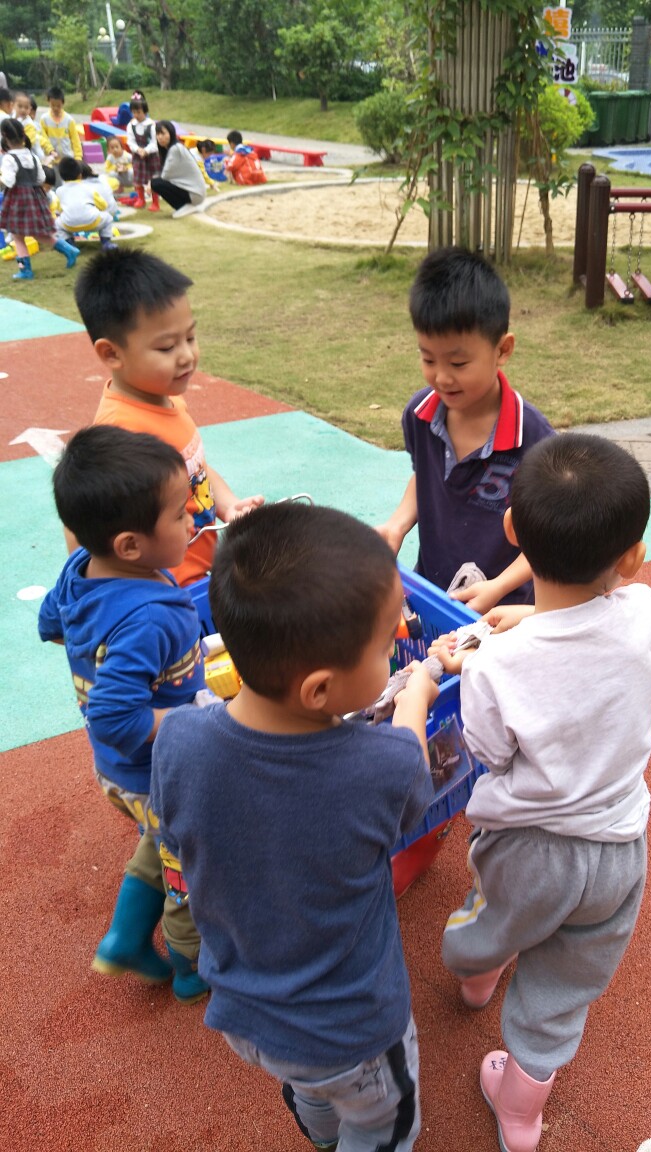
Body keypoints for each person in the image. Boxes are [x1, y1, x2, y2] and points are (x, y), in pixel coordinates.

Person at [150, 501, 439, 1152]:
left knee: (311, 1090)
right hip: (354, 1033)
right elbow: (412, 794)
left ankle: (321, 1131)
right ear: (318, 690)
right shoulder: (384, 764)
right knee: (384, 1124)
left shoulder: (180, 741)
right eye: (385, 647)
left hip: (246, 1017)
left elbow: (177, 827)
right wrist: (415, 700)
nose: (394, 650)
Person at [429, 432, 651, 1152]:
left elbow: (489, 754)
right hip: (619, 848)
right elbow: (619, 639)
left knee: (495, 920)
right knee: (567, 982)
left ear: (513, 531)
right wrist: (540, 620)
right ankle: (520, 1112)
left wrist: (490, 650)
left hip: (530, 849)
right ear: (632, 557)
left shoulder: (494, 667)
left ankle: (476, 973)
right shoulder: (646, 611)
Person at [37, 425, 209, 1003]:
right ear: (132, 545)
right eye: (179, 513)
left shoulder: (81, 569)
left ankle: (127, 938)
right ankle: (190, 966)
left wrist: (99, 653)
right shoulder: (151, 617)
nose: (193, 516)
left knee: (159, 841)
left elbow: (52, 625)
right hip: (155, 769)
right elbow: (115, 719)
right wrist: (184, 719)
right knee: (188, 865)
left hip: (119, 773)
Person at [377, 247, 555, 613]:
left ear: (502, 350)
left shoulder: (535, 441)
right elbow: (426, 478)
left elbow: (550, 540)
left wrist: (498, 587)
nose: (442, 377)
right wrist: (397, 524)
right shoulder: (419, 415)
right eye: (428, 358)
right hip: (433, 592)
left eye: (458, 363)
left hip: (502, 611)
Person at [73, 248, 264, 585]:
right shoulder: (122, 436)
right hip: (169, 586)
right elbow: (87, 534)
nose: (187, 355)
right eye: (166, 348)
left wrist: (228, 504)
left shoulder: (167, 398)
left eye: (190, 337)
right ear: (111, 353)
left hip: (201, 570)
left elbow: (195, 468)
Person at [0, 116, 79, 280]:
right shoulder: (32, 156)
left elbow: (9, 181)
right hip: (34, 198)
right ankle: (68, 250)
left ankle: (26, 270)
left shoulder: (9, 158)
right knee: (37, 233)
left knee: (17, 235)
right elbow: (40, 178)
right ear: (23, 135)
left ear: (4, 137)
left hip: (17, 201)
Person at [54, 156, 118, 250]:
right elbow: (103, 205)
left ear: (61, 176)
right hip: (92, 221)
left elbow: (58, 209)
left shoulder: (59, 191)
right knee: (108, 218)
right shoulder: (89, 188)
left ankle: (70, 244)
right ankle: (106, 243)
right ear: (80, 175)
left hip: (69, 224)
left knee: (57, 224)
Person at [151, 120, 207, 218]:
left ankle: (183, 207)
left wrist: (150, 184)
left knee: (155, 183)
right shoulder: (172, 148)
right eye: (158, 134)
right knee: (156, 181)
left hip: (194, 193)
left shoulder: (175, 149)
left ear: (171, 133)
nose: (160, 137)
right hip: (193, 191)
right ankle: (184, 206)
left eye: (163, 134)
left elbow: (166, 175)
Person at [125, 96, 160, 210]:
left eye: (138, 112)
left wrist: (146, 150)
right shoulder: (131, 125)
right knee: (138, 178)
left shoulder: (151, 125)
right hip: (138, 156)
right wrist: (137, 150)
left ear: (144, 111)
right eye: (134, 112)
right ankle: (141, 199)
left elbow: (155, 142)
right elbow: (130, 141)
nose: (136, 115)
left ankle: (155, 202)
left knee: (154, 178)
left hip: (152, 156)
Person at [39, 85, 82, 166]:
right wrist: (50, 150)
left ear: (63, 103)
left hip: (67, 160)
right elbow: (43, 138)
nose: (55, 108)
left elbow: (75, 140)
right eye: (53, 105)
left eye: (58, 106)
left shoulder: (69, 120)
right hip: (51, 160)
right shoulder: (44, 119)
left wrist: (78, 157)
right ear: (48, 102)